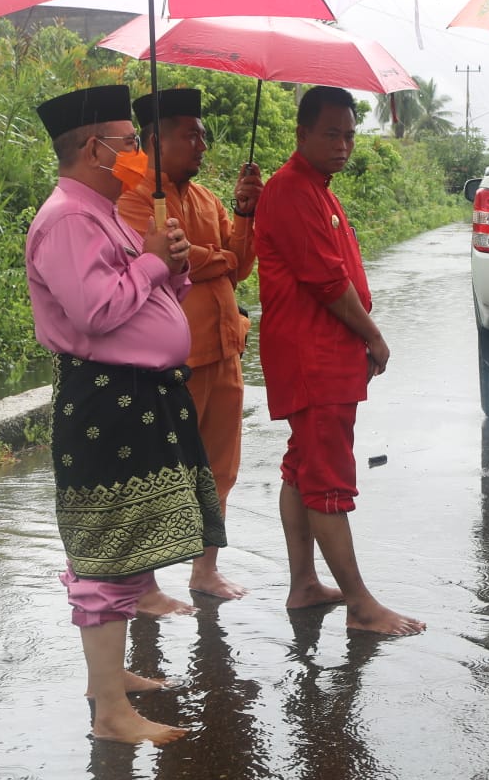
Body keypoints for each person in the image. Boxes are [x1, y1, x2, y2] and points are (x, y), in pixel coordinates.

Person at [26, 84, 223, 745]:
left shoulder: (103, 209)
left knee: (132, 544)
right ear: (93, 148)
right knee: (107, 552)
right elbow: (95, 312)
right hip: (106, 401)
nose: (139, 153)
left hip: (142, 394)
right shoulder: (66, 219)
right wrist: (148, 263)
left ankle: (109, 681)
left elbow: (144, 288)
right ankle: (110, 711)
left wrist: (170, 264)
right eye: (130, 143)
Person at [254, 85, 424, 636]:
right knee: (326, 477)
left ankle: (304, 583)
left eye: (351, 134)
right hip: (313, 358)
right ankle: (359, 604)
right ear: (302, 133)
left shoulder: (315, 188)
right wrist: (373, 335)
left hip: (321, 356)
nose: (344, 145)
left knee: (302, 465)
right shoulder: (291, 191)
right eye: (332, 134)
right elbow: (328, 282)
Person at [118, 88, 262, 611]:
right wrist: (214, 256)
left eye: (203, 133)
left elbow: (239, 263)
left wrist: (245, 211)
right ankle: (145, 585)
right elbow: (171, 261)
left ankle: (206, 570)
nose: (202, 143)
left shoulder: (206, 199)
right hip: (170, 365)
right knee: (160, 470)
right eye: (190, 134)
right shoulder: (133, 196)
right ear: (155, 140)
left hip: (223, 352)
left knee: (220, 467)